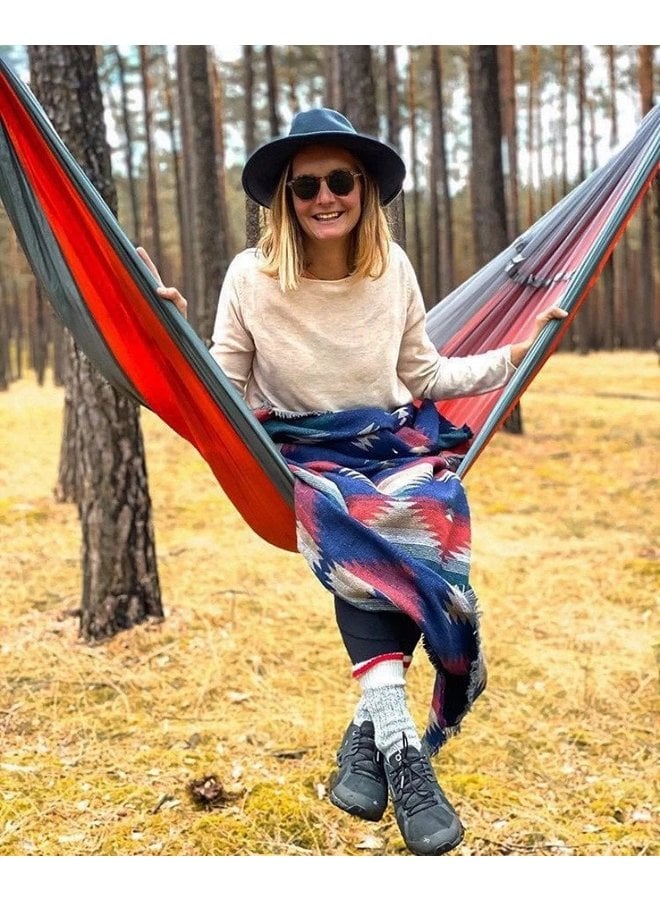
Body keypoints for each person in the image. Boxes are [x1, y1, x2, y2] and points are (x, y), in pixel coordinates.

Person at [137, 107, 567, 856]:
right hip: (306, 452)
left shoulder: (390, 268)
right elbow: (225, 385)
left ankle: (368, 744)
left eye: (341, 180)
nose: (324, 197)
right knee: (361, 521)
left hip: (391, 439)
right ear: (286, 199)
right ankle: (408, 761)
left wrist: (514, 356)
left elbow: (426, 374)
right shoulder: (252, 276)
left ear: (365, 189)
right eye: (307, 186)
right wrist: (174, 332)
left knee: (427, 517)